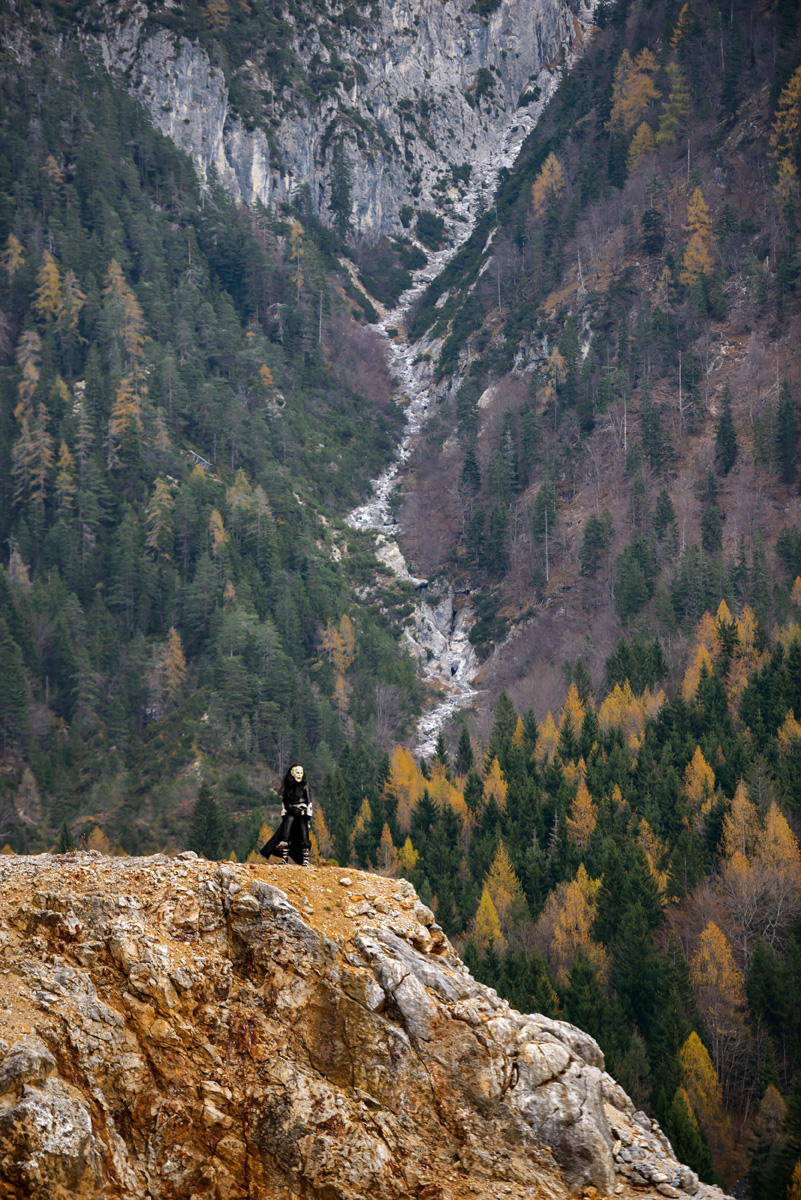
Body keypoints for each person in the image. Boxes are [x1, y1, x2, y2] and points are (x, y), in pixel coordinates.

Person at [260, 764, 313, 867]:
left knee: (304, 834)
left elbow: (309, 801)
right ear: (293, 773)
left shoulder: (305, 785)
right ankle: (285, 858)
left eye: (301, 772)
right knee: (286, 834)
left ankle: (305, 859)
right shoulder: (288, 786)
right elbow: (284, 802)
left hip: (302, 812)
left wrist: (308, 814)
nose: (300, 775)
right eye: (297, 772)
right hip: (290, 812)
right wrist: (283, 813)